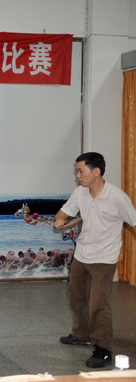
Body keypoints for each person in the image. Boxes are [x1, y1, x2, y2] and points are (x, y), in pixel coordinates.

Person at [55, 152, 136, 368]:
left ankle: (103, 349)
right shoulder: (80, 192)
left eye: (81, 171)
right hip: (82, 255)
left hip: (104, 258)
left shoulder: (117, 197)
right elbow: (63, 212)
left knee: (99, 304)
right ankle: (81, 335)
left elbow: (134, 222)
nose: (78, 175)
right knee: (76, 296)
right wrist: (60, 219)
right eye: (77, 171)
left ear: (96, 171)